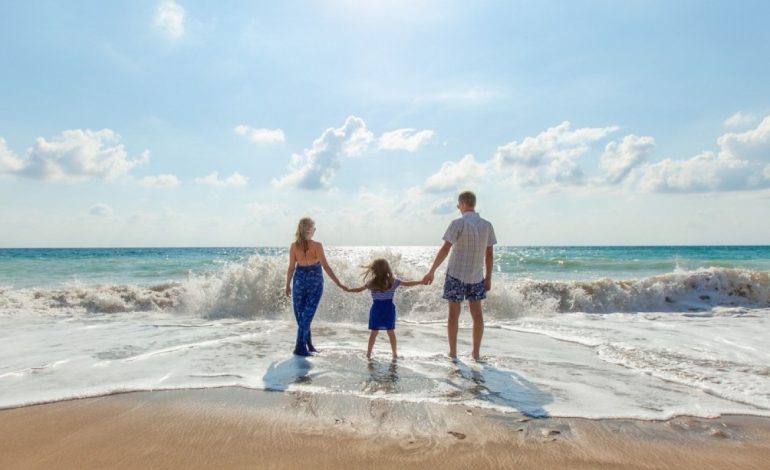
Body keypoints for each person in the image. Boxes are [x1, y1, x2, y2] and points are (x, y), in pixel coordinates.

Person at [423, 191, 496, 361]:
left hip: (455, 274)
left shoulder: (458, 223)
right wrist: (489, 277)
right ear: (474, 204)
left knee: (453, 315)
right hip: (477, 276)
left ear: (462, 204)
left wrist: (432, 270)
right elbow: (490, 255)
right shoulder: (487, 225)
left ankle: (453, 353)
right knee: (477, 315)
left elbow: (445, 249)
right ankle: (476, 354)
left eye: (458, 205)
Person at [285, 217, 346, 356]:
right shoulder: (299, 246)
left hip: (308, 282)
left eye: (312, 227)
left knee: (305, 315)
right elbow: (292, 267)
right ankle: (305, 346)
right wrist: (287, 285)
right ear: (305, 229)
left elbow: (324, 266)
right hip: (304, 281)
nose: (311, 229)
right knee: (302, 317)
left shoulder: (312, 246)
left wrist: (338, 283)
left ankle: (303, 346)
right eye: (309, 227)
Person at [344, 258, 424, 360]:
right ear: (387, 269)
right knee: (391, 332)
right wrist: (421, 282)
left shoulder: (371, 283)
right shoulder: (393, 282)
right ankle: (394, 354)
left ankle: (368, 354)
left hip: (376, 310)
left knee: (374, 333)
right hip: (388, 310)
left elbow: (359, 290)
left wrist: (348, 289)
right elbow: (408, 283)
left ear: (374, 270)